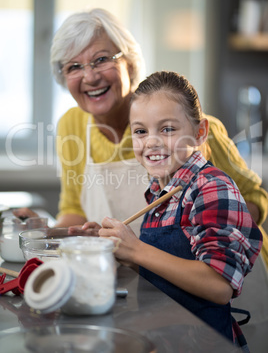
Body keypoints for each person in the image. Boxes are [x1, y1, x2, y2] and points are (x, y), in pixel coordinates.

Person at [13, 8, 268, 262]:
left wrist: (195, 228)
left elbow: (253, 201)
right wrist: (48, 233)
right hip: (139, 276)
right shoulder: (71, 125)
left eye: (101, 59)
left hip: (217, 274)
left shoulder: (191, 133)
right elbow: (74, 208)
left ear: (131, 63)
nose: (90, 77)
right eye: (74, 66)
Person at [96, 71, 263, 351]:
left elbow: (218, 285)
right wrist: (118, 248)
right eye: (141, 131)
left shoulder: (212, 188)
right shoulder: (161, 190)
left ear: (200, 133)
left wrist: (136, 249)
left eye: (167, 129)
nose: (152, 142)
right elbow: (166, 267)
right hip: (164, 340)